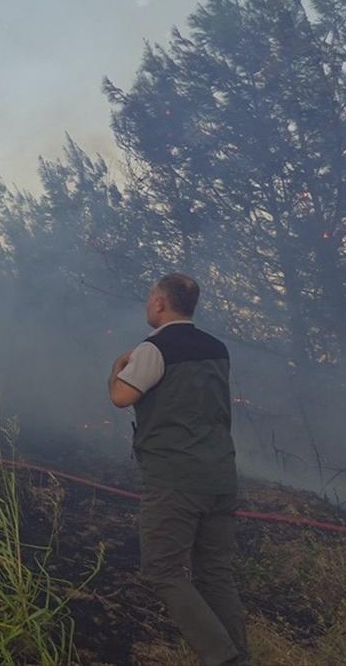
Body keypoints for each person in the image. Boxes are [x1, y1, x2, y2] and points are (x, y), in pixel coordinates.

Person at [108, 273, 249, 666]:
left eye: (150, 297)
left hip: (176, 480)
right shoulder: (217, 348)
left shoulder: (154, 349)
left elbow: (121, 396)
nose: (148, 304)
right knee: (215, 574)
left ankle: (224, 658)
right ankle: (240, 655)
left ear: (160, 303)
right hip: (221, 476)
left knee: (161, 570)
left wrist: (117, 367)